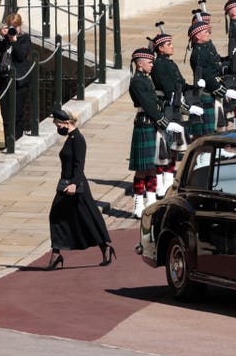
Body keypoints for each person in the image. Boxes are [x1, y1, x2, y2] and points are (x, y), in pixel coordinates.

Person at [46, 109, 115, 270]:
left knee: (87, 218)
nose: (57, 128)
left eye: (58, 124)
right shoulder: (70, 138)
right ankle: (56, 253)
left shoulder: (78, 140)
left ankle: (105, 247)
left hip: (75, 186)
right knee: (55, 216)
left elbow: (79, 165)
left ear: (66, 123)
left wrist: (75, 184)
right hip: (64, 184)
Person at [128, 47, 183, 218]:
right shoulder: (137, 81)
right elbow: (148, 105)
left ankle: (150, 201)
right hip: (145, 124)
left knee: (152, 166)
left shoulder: (146, 79)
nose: (152, 65)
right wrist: (165, 123)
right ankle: (138, 203)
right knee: (142, 169)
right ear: (140, 64)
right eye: (149, 62)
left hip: (152, 125)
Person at [150, 30, 203, 199]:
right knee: (163, 148)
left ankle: (169, 179)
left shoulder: (169, 63)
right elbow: (169, 90)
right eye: (169, 44)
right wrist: (187, 108)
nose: (172, 47)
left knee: (172, 147)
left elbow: (179, 84)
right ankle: (160, 184)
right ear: (160, 48)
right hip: (166, 106)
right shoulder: (159, 65)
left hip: (174, 106)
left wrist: (194, 87)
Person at [0, 12, 32, 147]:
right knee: (5, 113)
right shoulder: (6, 39)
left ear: (20, 26)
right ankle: (8, 142)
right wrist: (2, 37)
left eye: (15, 26)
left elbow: (21, 56)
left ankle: (17, 141)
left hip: (18, 80)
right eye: (10, 26)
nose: (12, 29)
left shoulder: (24, 39)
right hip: (4, 79)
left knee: (17, 113)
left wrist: (14, 41)